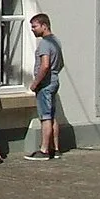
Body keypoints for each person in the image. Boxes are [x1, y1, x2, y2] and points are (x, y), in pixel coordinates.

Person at [27, 12, 64, 159]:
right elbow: (61, 63)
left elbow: (45, 65)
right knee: (52, 116)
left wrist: (36, 83)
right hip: (54, 80)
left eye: (35, 26)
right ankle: (55, 148)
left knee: (45, 117)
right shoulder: (56, 41)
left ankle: (44, 150)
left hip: (45, 83)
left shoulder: (45, 43)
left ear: (44, 26)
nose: (32, 29)